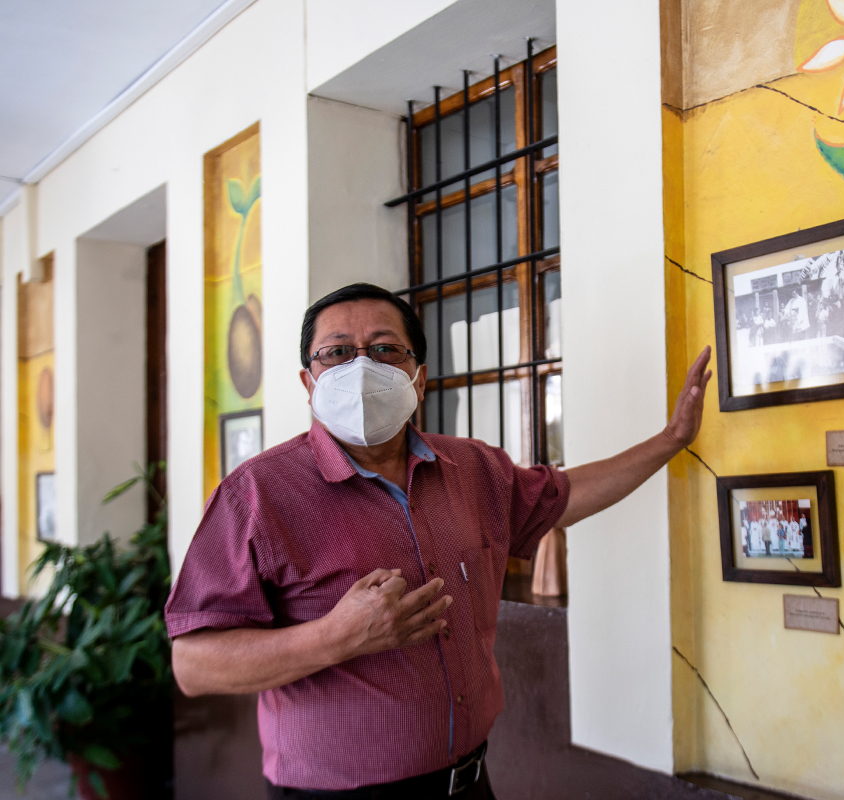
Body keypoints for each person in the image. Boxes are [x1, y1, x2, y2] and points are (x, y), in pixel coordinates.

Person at [166, 283, 714, 799]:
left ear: (419, 378)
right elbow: (193, 664)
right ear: (309, 382)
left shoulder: (472, 467)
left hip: (469, 781)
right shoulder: (257, 494)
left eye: (385, 349)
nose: (362, 367)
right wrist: (335, 637)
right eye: (337, 353)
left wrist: (670, 441)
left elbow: (563, 496)